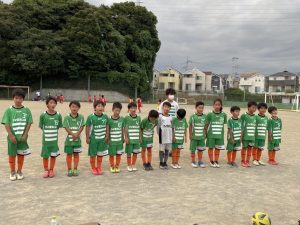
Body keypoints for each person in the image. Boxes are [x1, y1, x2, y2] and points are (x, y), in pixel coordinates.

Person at [1, 88, 33, 181]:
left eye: (20, 98)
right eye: (16, 98)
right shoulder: (9, 110)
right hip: (12, 138)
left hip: (22, 138)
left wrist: (25, 135)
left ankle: (19, 171)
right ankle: (12, 171)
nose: (18, 100)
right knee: (12, 155)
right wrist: (10, 135)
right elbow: (6, 123)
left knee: (21, 155)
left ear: (23, 99)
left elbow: (29, 123)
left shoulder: (26, 110)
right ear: (13, 98)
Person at [39, 96, 63, 178]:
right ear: (47, 105)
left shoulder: (59, 115)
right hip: (46, 141)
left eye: (54, 103)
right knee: (45, 156)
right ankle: (46, 170)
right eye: (51, 103)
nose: (53, 104)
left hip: (54, 141)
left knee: (53, 155)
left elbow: (58, 126)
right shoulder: (43, 115)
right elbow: (41, 127)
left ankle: (51, 169)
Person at [86, 100, 109, 175]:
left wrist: (107, 135)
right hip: (93, 140)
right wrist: (87, 138)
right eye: (98, 106)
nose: (100, 107)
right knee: (93, 155)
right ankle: (93, 168)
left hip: (102, 140)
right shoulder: (91, 117)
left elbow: (107, 126)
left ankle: (99, 167)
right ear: (94, 108)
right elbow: (88, 127)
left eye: (102, 106)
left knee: (100, 154)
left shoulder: (105, 116)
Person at [63, 101, 85, 177]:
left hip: (77, 141)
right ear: (70, 107)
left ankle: (75, 169)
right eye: (73, 106)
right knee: (69, 155)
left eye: (76, 107)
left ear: (78, 108)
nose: (74, 108)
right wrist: (73, 134)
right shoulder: (67, 117)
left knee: (76, 154)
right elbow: (66, 127)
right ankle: (69, 169)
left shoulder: (81, 117)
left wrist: (77, 134)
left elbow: (82, 126)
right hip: (68, 141)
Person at [204, 98, 227, 168]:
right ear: (213, 105)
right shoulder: (209, 114)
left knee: (218, 148)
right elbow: (206, 125)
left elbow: (223, 124)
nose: (217, 106)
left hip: (219, 135)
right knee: (211, 148)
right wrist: (205, 134)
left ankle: (216, 160)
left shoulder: (224, 114)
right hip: (211, 135)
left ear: (221, 106)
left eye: (219, 105)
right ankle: (211, 161)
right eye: (216, 105)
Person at [106, 102, 124, 173]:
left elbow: (122, 129)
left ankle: (117, 166)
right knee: (112, 154)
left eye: (119, 110)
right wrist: (108, 139)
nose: (117, 112)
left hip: (119, 141)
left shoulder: (122, 119)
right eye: (116, 110)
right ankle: (112, 166)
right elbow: (107, 130)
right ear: (112, 109)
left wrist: (123, 137)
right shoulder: (109, 119)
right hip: (112, 141)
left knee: (118, 154)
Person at [124, 102, 141, 172]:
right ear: (129, 109)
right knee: (129, 153)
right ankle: (129, 165)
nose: (133, 109)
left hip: (136, 139)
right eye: (131, 108)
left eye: (134, 108)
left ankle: (133, 164)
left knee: (135, 153)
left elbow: (140, 128)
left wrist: (140, 137)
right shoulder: (126, 118)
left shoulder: (139, 118)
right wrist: (126, 138)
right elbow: (125, 128)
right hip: (130, 139)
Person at [189, 101, 207, 168]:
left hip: (201, 137)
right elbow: (190, 126)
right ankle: (193, 161)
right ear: (196, 108)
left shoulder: (205, 116)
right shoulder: (193, 116)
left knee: (200, 149)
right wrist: (190, 134)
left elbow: (205, 126)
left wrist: (205, 133)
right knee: (193, 149)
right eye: (199, 108)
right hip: (194, 136)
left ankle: (200, 161)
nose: (201, 109)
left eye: (202, 108)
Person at [240, 101, 257, 167]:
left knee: (250, 148)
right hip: (245, 136)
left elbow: (255, 127)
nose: (254, 109)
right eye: (253, 107)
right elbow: (241, 126)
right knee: (244, 148)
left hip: (252, 137)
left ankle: (247, 161)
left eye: (255, 108)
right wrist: (241, 136)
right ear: (248, 107)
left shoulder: (255, 117)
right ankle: (243, 161)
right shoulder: (244, 115)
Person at [157, 101, 173, 169]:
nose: (167, 108)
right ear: (163, 107)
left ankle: (165, 162)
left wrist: (172, 136)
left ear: (170, 109)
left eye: (168, 107)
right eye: (165, 107)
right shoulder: (160, 117)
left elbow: (172, 127)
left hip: (169, 136)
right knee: (161, 150)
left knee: (167, 150)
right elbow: (158, 127)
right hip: (162, 136)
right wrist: (159, 134)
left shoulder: (171, 117)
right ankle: (161, 162)